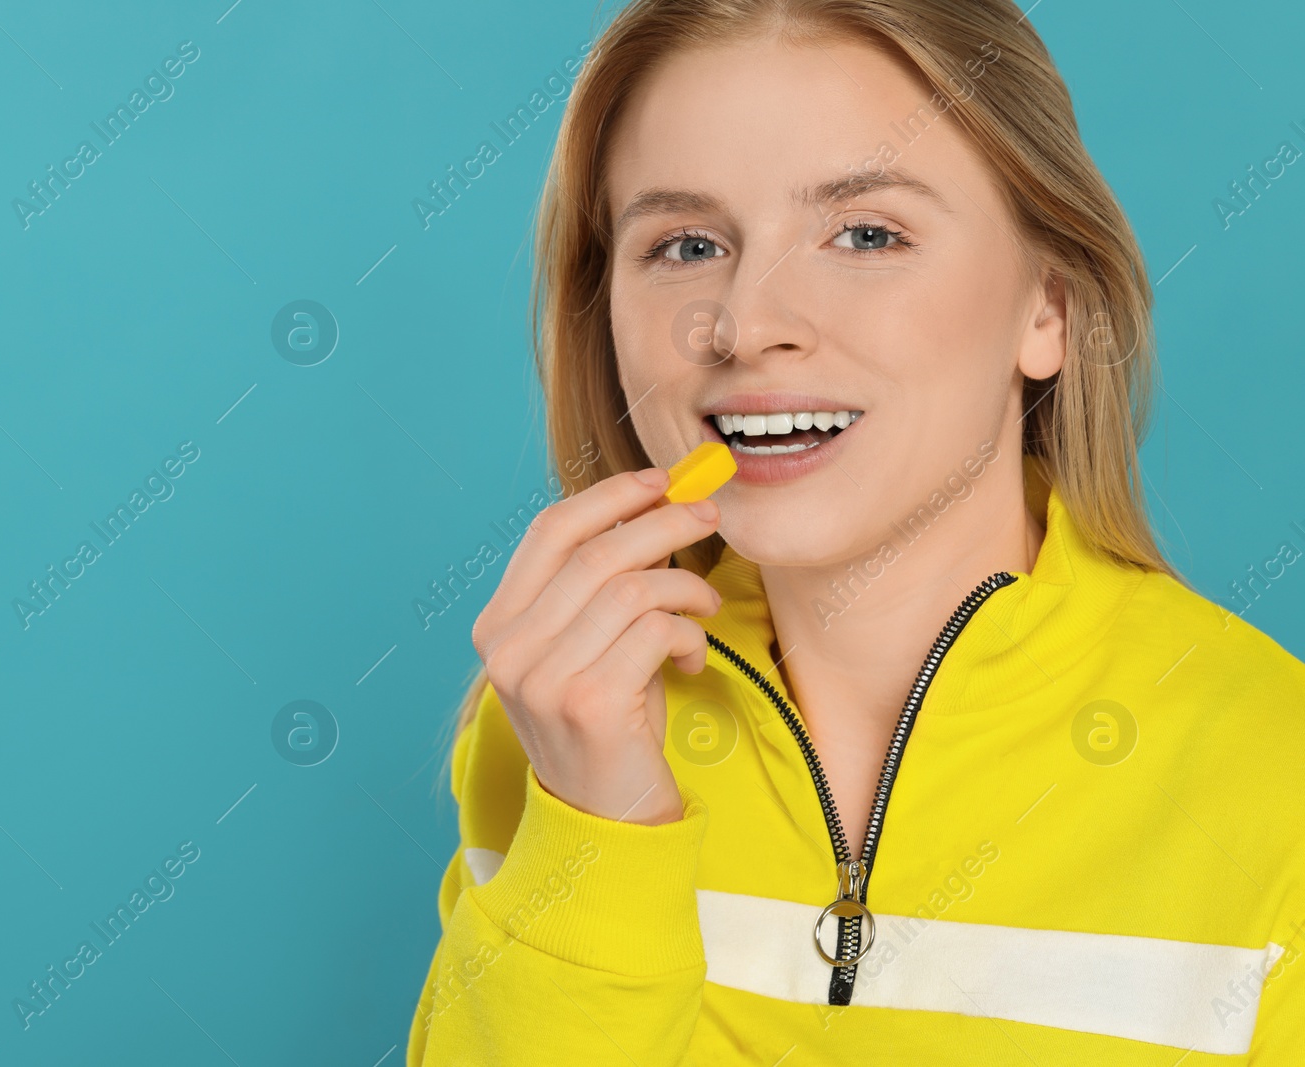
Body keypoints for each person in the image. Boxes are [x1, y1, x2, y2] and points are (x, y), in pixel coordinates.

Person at [406, 0, 1305, 1062]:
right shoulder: (546, 733)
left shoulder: (1274, 777)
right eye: (684, 243)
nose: (744, 324)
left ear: (1047, 307)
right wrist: (595, 832)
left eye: (865, 232)